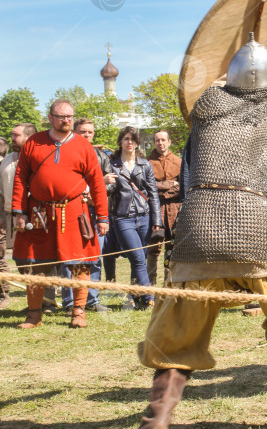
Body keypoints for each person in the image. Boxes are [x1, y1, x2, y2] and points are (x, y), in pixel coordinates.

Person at [126, 34, 267, 429]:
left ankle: (157, 421)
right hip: (259, 234)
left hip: (197, 229)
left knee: (177, 328)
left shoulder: (204, 120)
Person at [11, 100, 109, 329]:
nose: (66, 120)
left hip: (75, 212)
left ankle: (78, 312)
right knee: (36, 264)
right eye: (61, 116)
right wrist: (19, 211)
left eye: (69, 117)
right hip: (39, 213)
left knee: (80, 264)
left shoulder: (84, 146)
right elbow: (20, 178)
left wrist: (102, 216)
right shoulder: (34, 142)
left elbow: (97, 183)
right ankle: (34, 315)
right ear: (50, 118)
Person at [60, 118, 114, 312]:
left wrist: (99, 192)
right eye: (83, 131)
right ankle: (69, 302)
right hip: (71, 212)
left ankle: (91, 300)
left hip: (94, 211)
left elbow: (111, 183)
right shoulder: (65, 152)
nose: (87, 135)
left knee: (94, 257)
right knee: (69, 259)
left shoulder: (101, 156)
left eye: (90, 132)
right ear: (75, 132)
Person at [107, 126, 162, 309]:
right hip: (123, 218)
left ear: (137, 142)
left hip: (144, 216)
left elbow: (153, 193)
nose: (129, 142)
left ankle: (133, 295)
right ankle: (149, 297)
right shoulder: (112, 164)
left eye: (132, 139)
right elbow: (106, 191)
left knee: (138, 258)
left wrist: (156, 221)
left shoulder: (144, 164)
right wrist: (104, 181)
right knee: (138, 258)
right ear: (120, 142)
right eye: (126, 139)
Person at [0, 123, 38, 309]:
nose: (12, 138)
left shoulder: (37, 158)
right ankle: (29, 296)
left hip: (32, 216)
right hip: (8, 215)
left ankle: (41, 298)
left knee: (35, 258)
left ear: (28, 138)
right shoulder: (6, 160)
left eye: (16, 135)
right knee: (17, 257)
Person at [146, 129, 182, 286]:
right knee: (153, 248)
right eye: (157, 140)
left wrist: (162, 189)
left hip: (175, 209)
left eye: (163, 140)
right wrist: (168, 185)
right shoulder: (147, 163)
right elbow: (148, 186)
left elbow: (183, 185)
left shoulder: (179, 162)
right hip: (156, 209)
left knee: (172, 248)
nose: (160, 143)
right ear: (154, 143)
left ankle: (170, 285)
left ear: (169, 142)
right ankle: (151, 286)